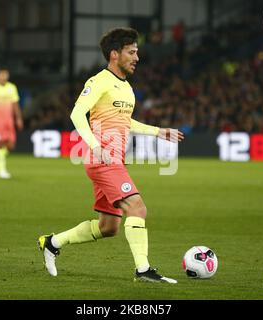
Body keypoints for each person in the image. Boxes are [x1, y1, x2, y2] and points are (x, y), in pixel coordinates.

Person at [38, 28, 184, 283]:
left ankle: (52, 242)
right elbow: (76, 114)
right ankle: (143, 269)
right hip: (102, 160)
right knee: (137, 207)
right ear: (115, 54)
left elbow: (126, 122)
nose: (137, 57)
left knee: (108, 227)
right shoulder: (99, 81)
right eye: (132, 52)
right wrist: (95, 146)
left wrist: (158, 131)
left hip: (112, 160)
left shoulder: (126, 89)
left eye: (137, 51)